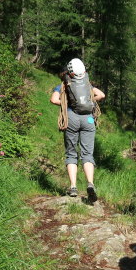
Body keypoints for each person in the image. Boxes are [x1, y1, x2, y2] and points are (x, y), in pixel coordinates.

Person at [50, 58, 105, 201]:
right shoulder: (87, 84)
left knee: (71, 153)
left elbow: (54, 100)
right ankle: (90, 184)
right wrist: (88, 101)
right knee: (87, 154)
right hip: (88, 120)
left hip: (71, 119)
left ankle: (73, 187)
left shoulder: (63, 85)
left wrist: (66, 103)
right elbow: (101, 95)